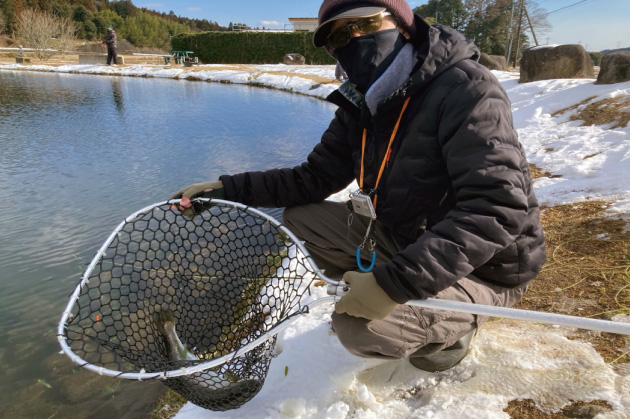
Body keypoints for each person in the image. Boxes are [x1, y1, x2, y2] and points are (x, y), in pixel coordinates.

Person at [171, 0, 546, 372]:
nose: (353, 38)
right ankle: (405, 296)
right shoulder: (363, 103)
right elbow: (313, 179)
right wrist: (226, 188)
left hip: (487, 267)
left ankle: (451, 333)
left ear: (401, 25)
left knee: (357, 331)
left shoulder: (466, 87)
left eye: (365, 25)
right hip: (410, 235)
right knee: (303, 218)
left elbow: (496, 209)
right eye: (337, 35)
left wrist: (395, 285)